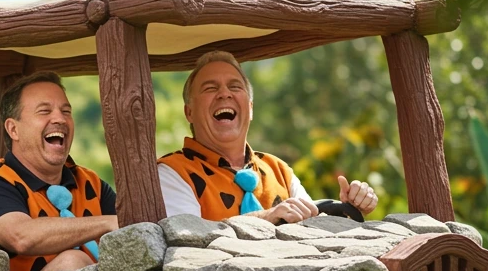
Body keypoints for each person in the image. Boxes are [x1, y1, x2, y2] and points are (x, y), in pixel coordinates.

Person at [158, 51, 379, 223]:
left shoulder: (280, 170)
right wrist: (264, 219)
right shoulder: (171, 173)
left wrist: (348, 211)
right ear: (189, 112)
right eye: (210, 88)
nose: (224, 93)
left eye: (235, 86)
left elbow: (313, 228)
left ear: (251, 108)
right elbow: (187, 240)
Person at [0, 73, 118, 271]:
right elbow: (21, 237)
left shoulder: (92, 183)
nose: (60, 119)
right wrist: (106, 223)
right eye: (44, 111)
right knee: (72, 262)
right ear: (13, 129)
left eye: (66, 111)